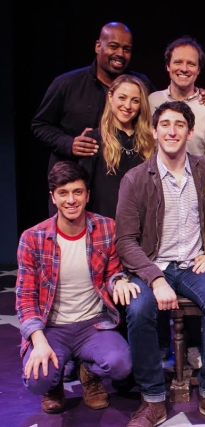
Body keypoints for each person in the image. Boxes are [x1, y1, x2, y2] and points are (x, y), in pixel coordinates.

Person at [115, 101, 205, 427]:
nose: (172, 131)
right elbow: (125, 241)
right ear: (154, 131)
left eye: (179, 125)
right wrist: (155, 278)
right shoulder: (135, 179)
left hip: (193, 263)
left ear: (190, 132)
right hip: (152, 264)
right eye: (165, 124)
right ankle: (152, 399)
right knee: (139, 309)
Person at [15, 161, 138, 414]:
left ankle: (88, 372)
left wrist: (119, 281)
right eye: (63, 193)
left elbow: (113, 273)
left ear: (87, 195)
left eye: (77, 192)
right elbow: (25, 297)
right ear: (53, 197)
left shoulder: (107, 228)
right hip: (52, 327)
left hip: (93, 324)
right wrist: (38, 340)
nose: (71, 200)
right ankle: (55, 382)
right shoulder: (32, 238)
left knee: (121, 364)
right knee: (37, 379)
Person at [31, 22, 155, 215]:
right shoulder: (67, 84)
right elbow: (39, 125)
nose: (120, 54)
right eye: (113, 46)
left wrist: (201, 94)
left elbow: (165, 110)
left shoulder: (140, 84)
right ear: (98, 46)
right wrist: (69, 144)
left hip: (117, 191)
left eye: (126, 49)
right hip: (74, 190)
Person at [148, 35, 205, 176]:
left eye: (191, 64)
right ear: (168, 66)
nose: (184, 69)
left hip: (196, 187)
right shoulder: (152, 101)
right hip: (154, 186)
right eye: (178, 62)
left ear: (199, 69)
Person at [80, 74, 155, 219]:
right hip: (105, 225)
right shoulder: (94, 140)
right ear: (110, 97)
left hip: (141, 224)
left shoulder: (149, 141)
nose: (127, 106)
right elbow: (83, 188)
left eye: (135, 101)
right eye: (122, 98)